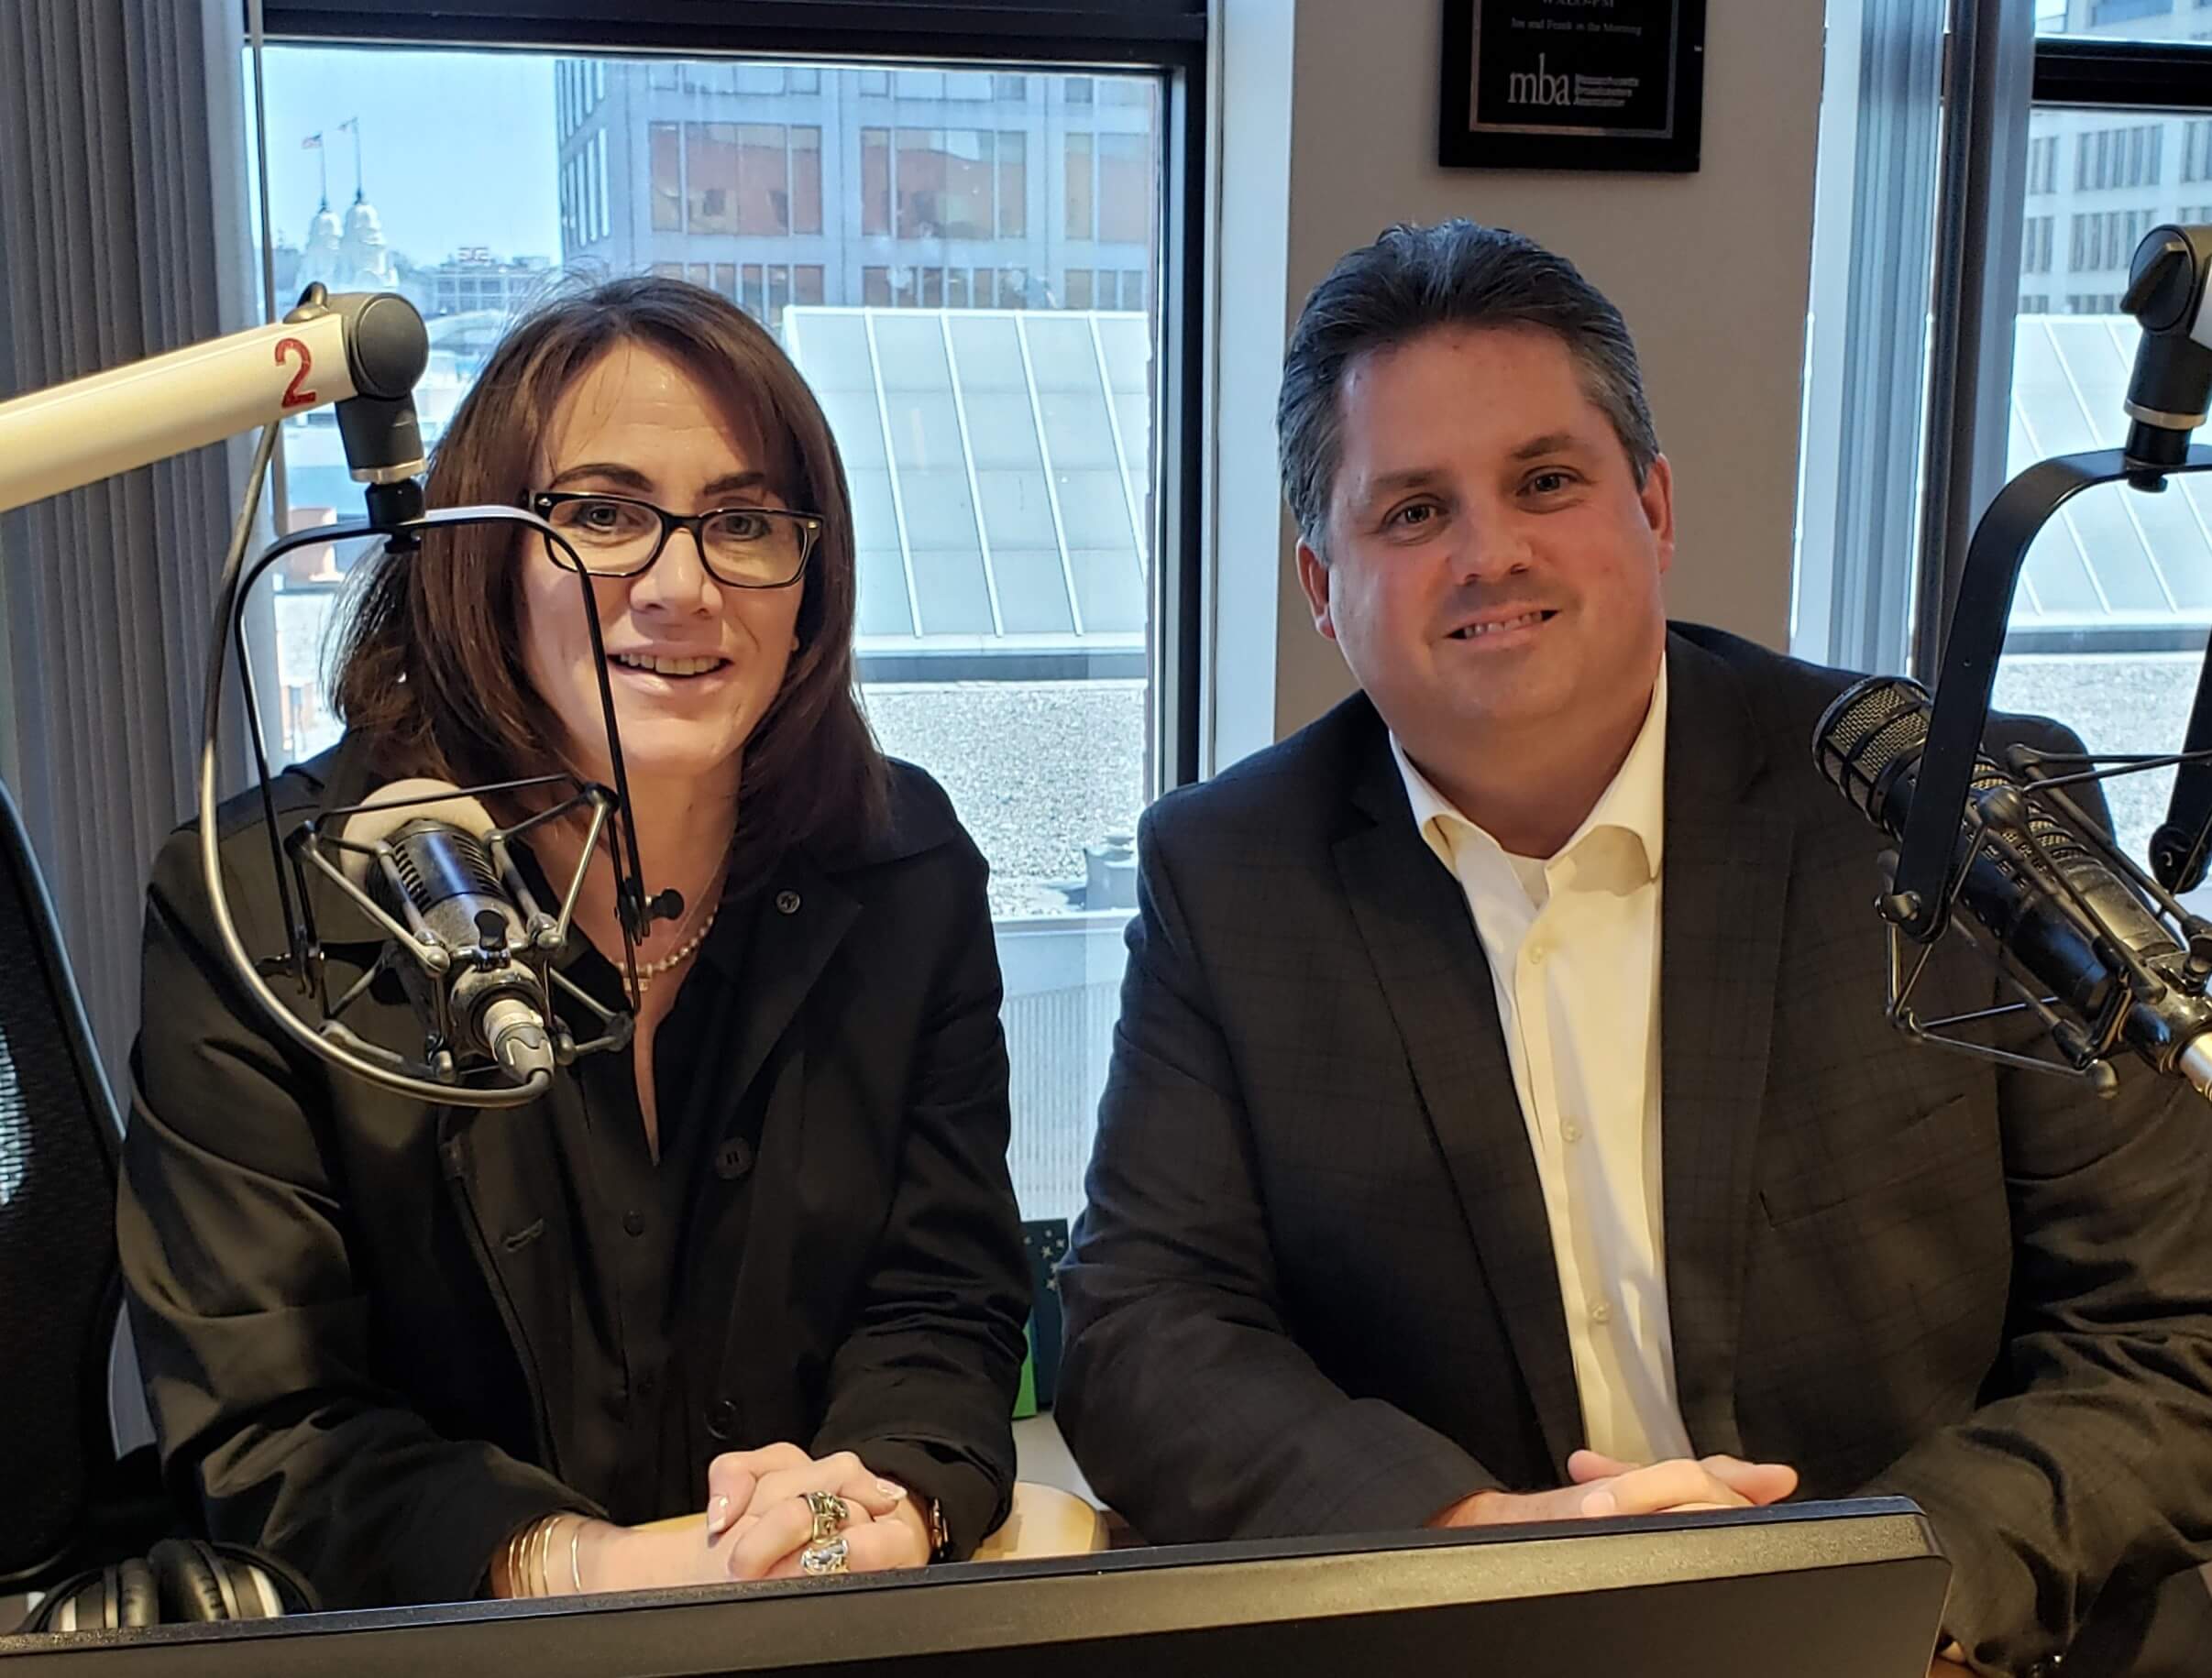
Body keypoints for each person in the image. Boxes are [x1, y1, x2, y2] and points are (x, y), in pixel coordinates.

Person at [1056, 221, 2212, 1676]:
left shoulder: (1953, 809)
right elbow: (1140, 1325)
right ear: (1317, 583)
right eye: (1410, 511)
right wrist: (1464, 1538)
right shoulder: (1230, 873)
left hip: (1966, 1642)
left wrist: (1875, 1598)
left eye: (1545, 481)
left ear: (1653, 508)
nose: (1489, 553)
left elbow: (2169, 1334)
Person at [119, 277, 1030, 1610]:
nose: (681, 585)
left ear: (809, 571)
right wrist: (581, 1569)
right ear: (482, 550)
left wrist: (875, 1501)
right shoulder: (262, 908)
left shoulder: (905, 870)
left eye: (744, 522)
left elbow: (941, 1301)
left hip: (816, 1619)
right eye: (601, 516)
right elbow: (266, 1421)